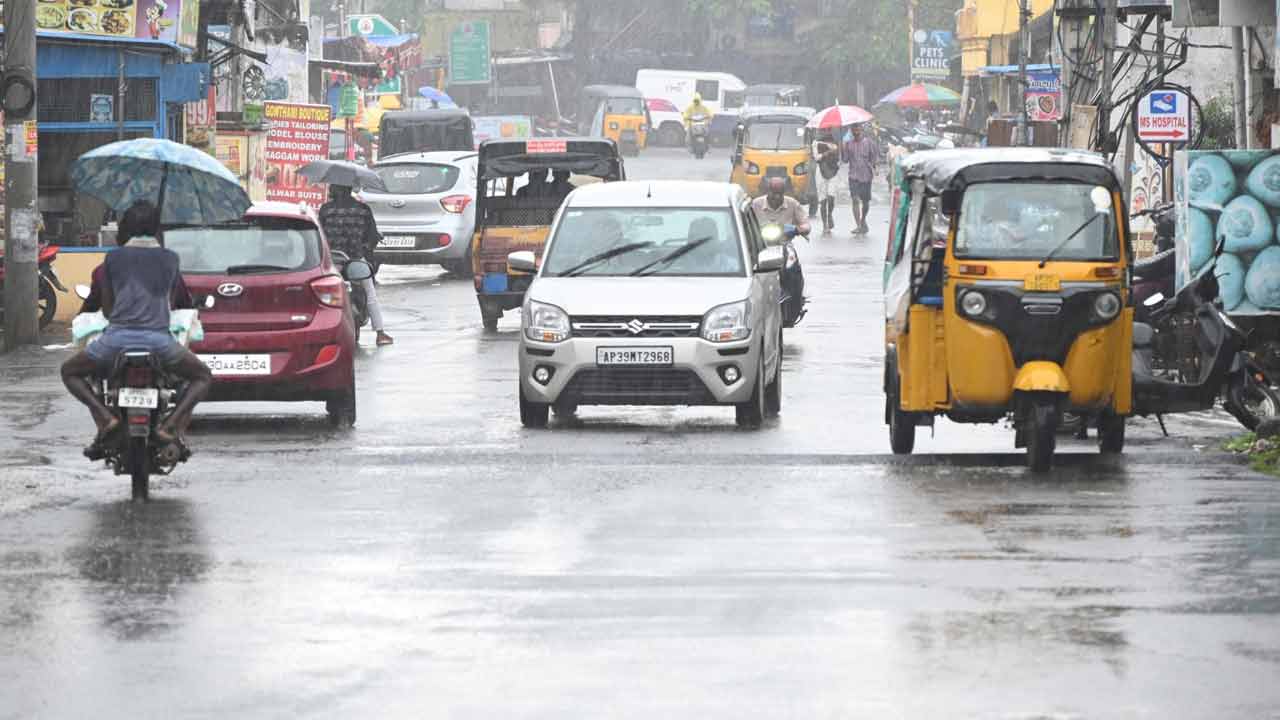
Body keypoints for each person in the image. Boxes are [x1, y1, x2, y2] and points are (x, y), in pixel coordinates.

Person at [61, 201, 212, 454]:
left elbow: (108, 310)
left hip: (116, 341)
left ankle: (104, 417)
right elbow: (175, 302)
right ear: (156, 229)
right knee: (202, 376)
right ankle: (171, 427)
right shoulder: (170, 259)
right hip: (160, 343)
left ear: (125, 228)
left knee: (69, 371)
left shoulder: (113, 258)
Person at [318, 184, 393, 346]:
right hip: (356, 260)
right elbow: (371, 236)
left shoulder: (325, 210)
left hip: (332, 261)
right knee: (370, 293)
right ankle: (380, 333)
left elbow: (320, 235)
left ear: (334, 190)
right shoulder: (363, 210)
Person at [842, 122, 878, 235]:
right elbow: (845, 160)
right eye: (854, 130)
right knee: (855, 199)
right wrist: (842, 148)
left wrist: (873, 168)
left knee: (865, 202)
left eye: (857, 129)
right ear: (851, 131)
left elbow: (874, 158)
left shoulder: (869, 143)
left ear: (861, 130)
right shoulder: (849, 144)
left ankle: (863, 220)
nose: (856, 131)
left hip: (866, 176)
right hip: (853, 176)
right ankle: (858, 225)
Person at [811, 130, 841, 235]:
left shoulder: (835, 142)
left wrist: (835, 150)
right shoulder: (816, 143)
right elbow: (816, 157)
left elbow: (838, 157)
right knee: (823, 201)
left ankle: (830, 215)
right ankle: (825, 225)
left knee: (831, 198)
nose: (826, 131)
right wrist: (827, 152)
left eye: (828, 129)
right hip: (821, 172)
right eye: (824, 130)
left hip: (833, 171)